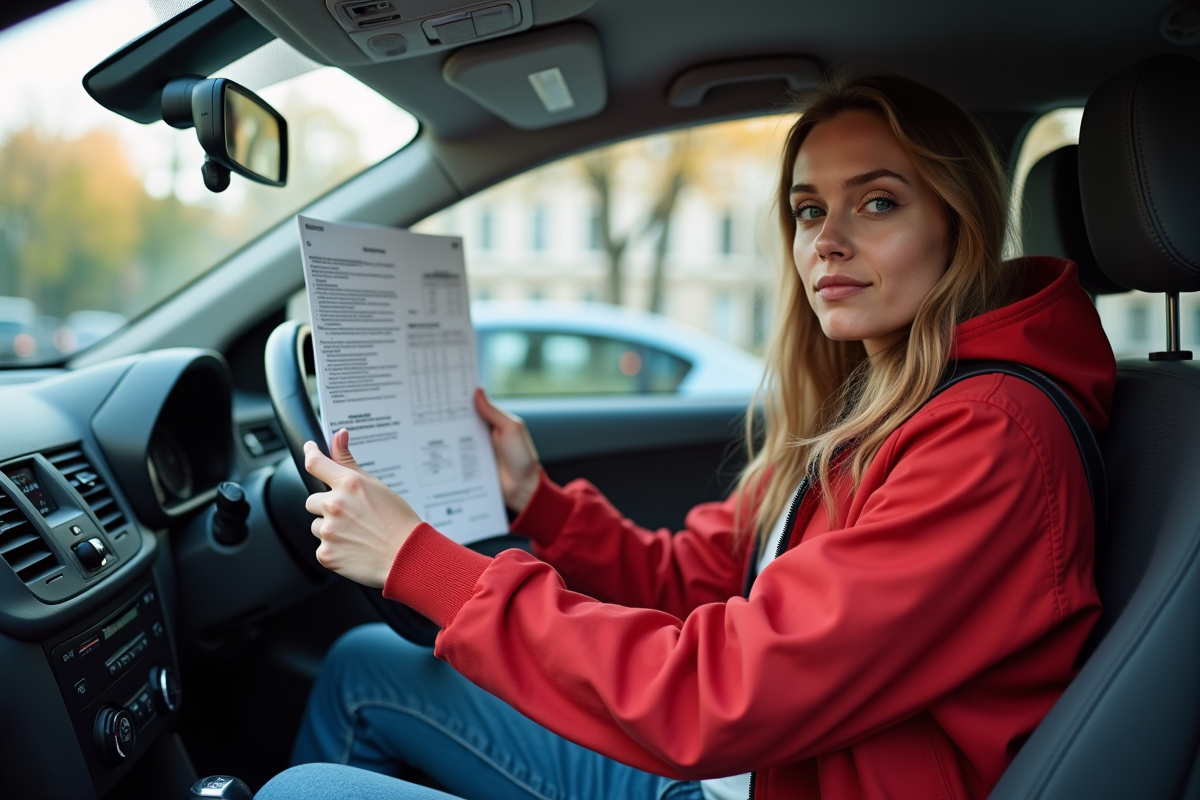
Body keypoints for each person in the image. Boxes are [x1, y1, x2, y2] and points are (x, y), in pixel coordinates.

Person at [258, 74, 1115, 800]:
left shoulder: (991, 437)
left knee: (300, 793)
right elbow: (696, 581)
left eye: (878, 202)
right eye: (809, 210)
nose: (828, 242)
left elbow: (720, 693)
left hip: (756, 769)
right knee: (365, 664)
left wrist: (420, 563)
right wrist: (537, 502)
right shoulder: (873, 400)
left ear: (958, 226)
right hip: (760, 768)